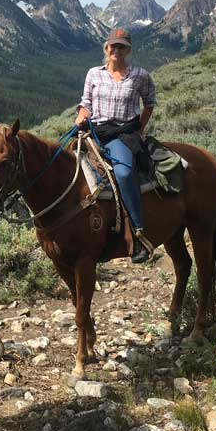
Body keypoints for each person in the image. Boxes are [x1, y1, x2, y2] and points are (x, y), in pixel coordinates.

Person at [74, 27, 157, 263]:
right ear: (106, 47)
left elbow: (149, 102)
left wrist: (140, 129)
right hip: (96, 131)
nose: (116, 50)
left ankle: (139, 232)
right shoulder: (94, 74)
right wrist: (81, 116)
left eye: (121, 46)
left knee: (124, 171)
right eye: (113, 45)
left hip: (122, 135)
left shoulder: (140, 75)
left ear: (128, 49)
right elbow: (86, 103)